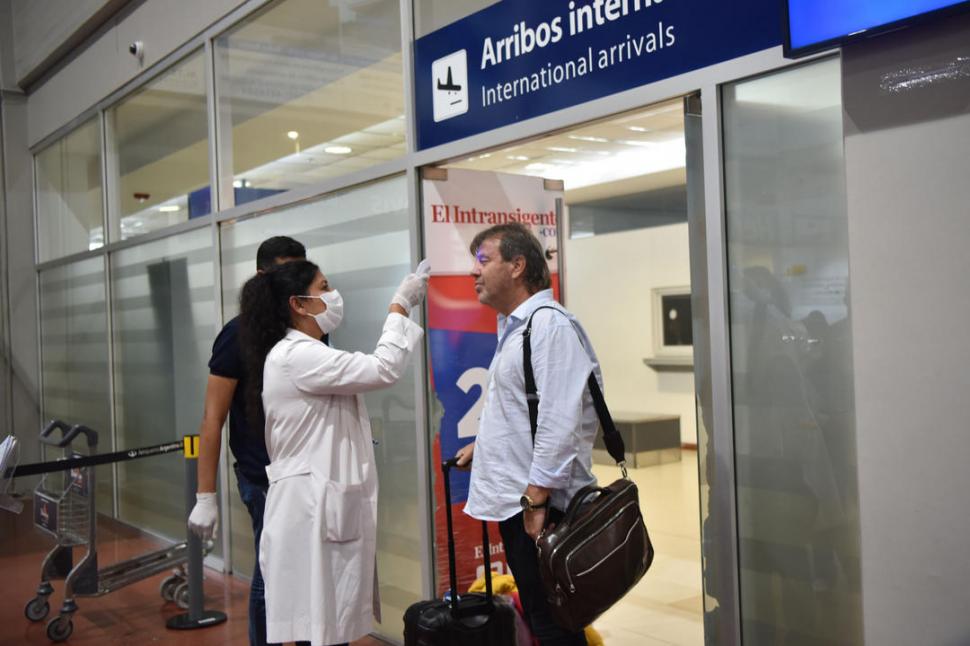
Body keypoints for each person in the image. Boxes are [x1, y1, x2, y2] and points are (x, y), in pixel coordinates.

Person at [238, 258, 429, 646]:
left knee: (322, 626)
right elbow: (383, 368)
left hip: (314, 504)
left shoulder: (302, 352)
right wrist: (400, 306)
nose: (333, 294)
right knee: (320, 628)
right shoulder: (298, 356)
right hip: (310, 509)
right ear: (298, 304)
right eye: (324, 287)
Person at [455, 223, 599, 646]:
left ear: (517, 266)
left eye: (483, 260)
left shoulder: (548, 326)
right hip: (525, 500)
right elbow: (524, 408)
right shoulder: (517, 327)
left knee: (554, 624)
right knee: (544, 617)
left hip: (541, 505)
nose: (474, 272)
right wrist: (485, 444)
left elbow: (560, 420)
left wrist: (536, 498)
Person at [187, 235, 306, 646]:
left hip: (306, 474)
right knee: (269, 576)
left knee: (309, 576)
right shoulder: (237, 335)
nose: (292, 282)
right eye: (284, 272)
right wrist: (205, 495)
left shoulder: (308, 329)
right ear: (261, 276)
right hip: (263, 477)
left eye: (299, 273)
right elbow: (213, 417)